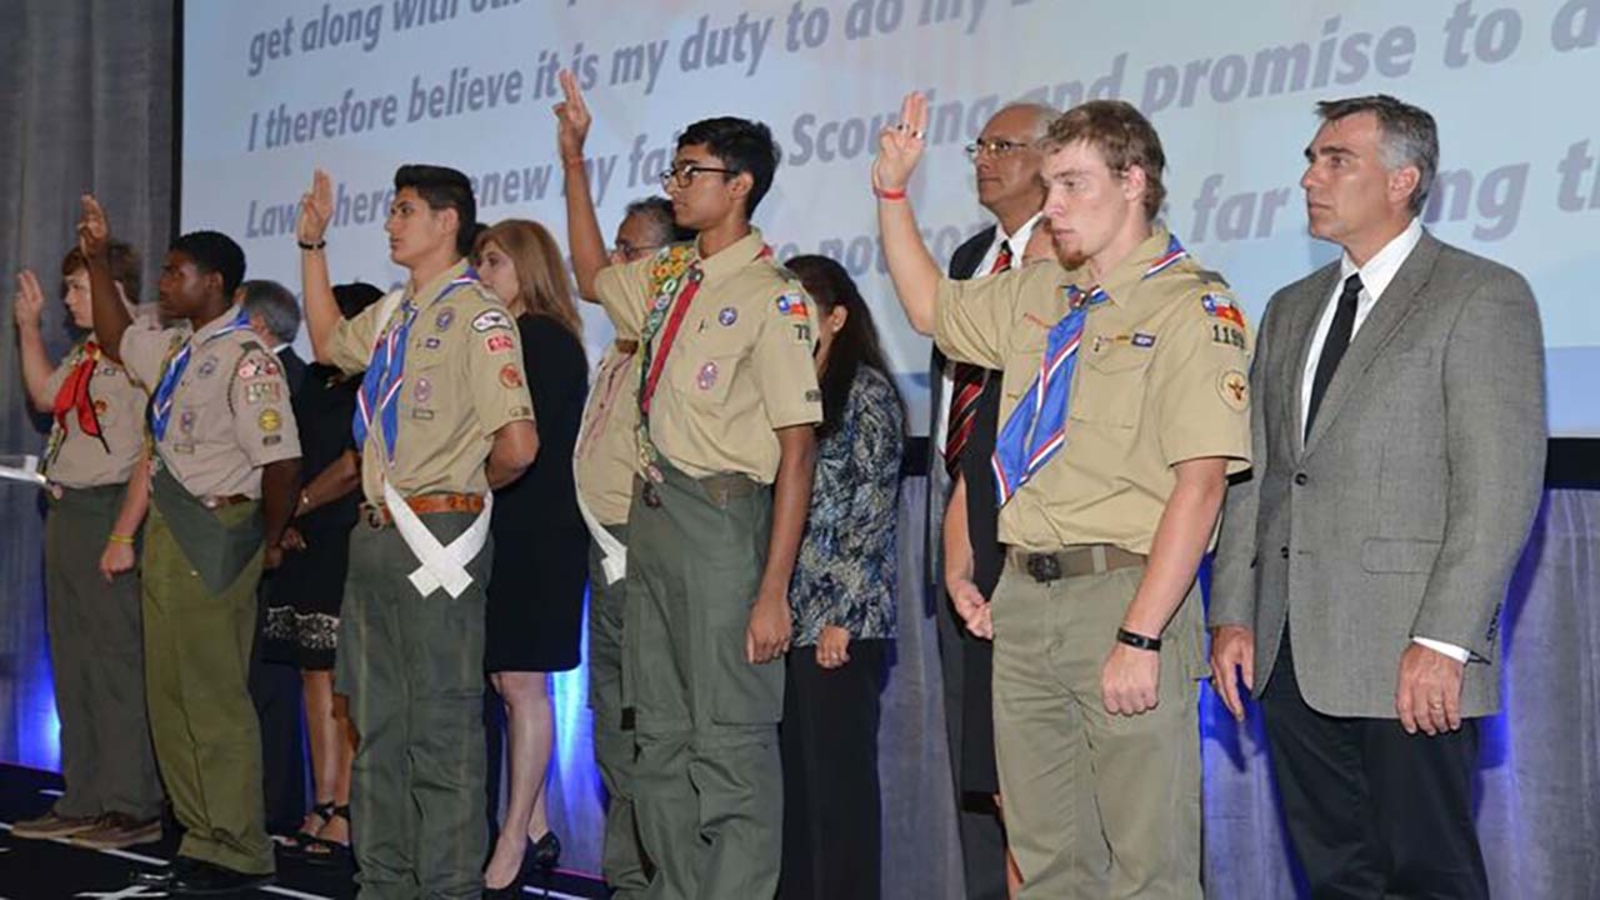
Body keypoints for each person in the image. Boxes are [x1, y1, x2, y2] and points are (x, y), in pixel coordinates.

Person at [875, 95, 1253, 898]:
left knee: (1146, 868)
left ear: (1134, 182)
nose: (1051, 206)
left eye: (1073, 184)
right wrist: (892, 198)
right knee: (1047, 861)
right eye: (1049, 185)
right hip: (1025, 602)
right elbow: (930, 310)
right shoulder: (1042, 292)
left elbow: (1202, 485)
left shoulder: (1193, 306)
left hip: (1123, 593)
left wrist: (1142, 637)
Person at [1209, 95, 1547, 900]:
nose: (1309, 178)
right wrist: (1235, 612)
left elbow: (1498, 487)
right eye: (1311, 159)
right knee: (1333, 875)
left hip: (1409, 655)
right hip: (1290, 652)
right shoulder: (1292, 308)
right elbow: (1259, 473)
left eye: (1336, 160)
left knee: (1427, 874)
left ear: (1403, 179)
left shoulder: (1479, 295)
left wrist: (1446, 640)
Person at [557, 70, 823, 899]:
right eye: (673, 170)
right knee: (659, 740)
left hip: (721, 526)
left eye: (691, 171)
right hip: (653, 521)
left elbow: (799, 449)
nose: (676, 185)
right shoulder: (673, 279)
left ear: (739, 186)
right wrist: (574, 161)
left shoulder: (773, 298)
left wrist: (774, 587)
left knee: (729, 742)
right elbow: (595, 273)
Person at [299, 164, 539, 898]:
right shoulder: (398, 312)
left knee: (440, 731)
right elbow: (328, 344)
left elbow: (519, 446)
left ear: (446, 222)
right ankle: (385, 883)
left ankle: (444, 888)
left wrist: (459, 499)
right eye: (391, 210)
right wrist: (313, 248)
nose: (391, 223)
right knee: (376, 725)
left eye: (405, 210)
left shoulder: (479, 313)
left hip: (438, 538)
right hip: (374, 536)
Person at [80, 197, 302, 894]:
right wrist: (95, 258)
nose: (164, 284)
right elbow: (117, 337)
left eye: (176, 273)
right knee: (168, 694)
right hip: (170, 533)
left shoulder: (247, 360)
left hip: (217, 532)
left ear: (215, 284)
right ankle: (201, 832)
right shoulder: (181, 350)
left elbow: (282, 460)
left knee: (213, 697)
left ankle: (239, 843)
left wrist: (268, 540)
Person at [930, 102, 1053, 900]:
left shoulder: (1076, 255)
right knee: (976, 751)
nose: (985, 158)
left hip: (1038, 522)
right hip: (960, 511)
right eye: (980, 145)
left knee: (1037, 769)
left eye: (1004, 146)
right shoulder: (974, 256)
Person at [9, 242, 163, 851]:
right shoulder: (86, 349)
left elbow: (151, 451)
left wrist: (124, 533)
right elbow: (47, 397)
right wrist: (27, 328)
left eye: (77, 288)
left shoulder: (139, 344)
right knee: (71, 663)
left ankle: (131, 803)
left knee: (115, 663)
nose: (68, 300)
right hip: (66, 509)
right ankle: (83, 796)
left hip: (109, 510)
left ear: (109, 287)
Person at [570, 195, 688, 900]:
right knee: (613, 727)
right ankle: (626, 878)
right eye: (611, 249)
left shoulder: (673, 341)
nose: (613, 265)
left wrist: (576, 162)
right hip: (604, 549)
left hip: (645, 552)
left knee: (652, 730)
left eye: (628, 252)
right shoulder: (620, 348)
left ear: (670, 262)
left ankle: (657, 880)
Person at [778, 254, 904, 900]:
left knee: (839, 794)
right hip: (788, 621)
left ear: (836, 317)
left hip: (842, 624)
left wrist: (841, 617)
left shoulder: (868, 393)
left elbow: (874, 509)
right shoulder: (788, 394)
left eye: (801, 312)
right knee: (794, 795)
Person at [472, 218, 590, 897]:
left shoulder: (541, 337)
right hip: (506, 526)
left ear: (528, 267)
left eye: (494, 261)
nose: (482, 274)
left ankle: (512, 835)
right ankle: (538, 827)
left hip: (538, 528)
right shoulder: (508, 335)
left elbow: (525, 445)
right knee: (508, 684)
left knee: (522, 684)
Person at [262, 282, 383, 865]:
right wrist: (283, 515)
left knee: (344, 686)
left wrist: (299, 505)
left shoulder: (373, 379)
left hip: (345, 538)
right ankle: (323, 800)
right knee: (313, 678)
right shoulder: (315, 377)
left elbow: (354, 465)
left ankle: (352, 809)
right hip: (305, 540)